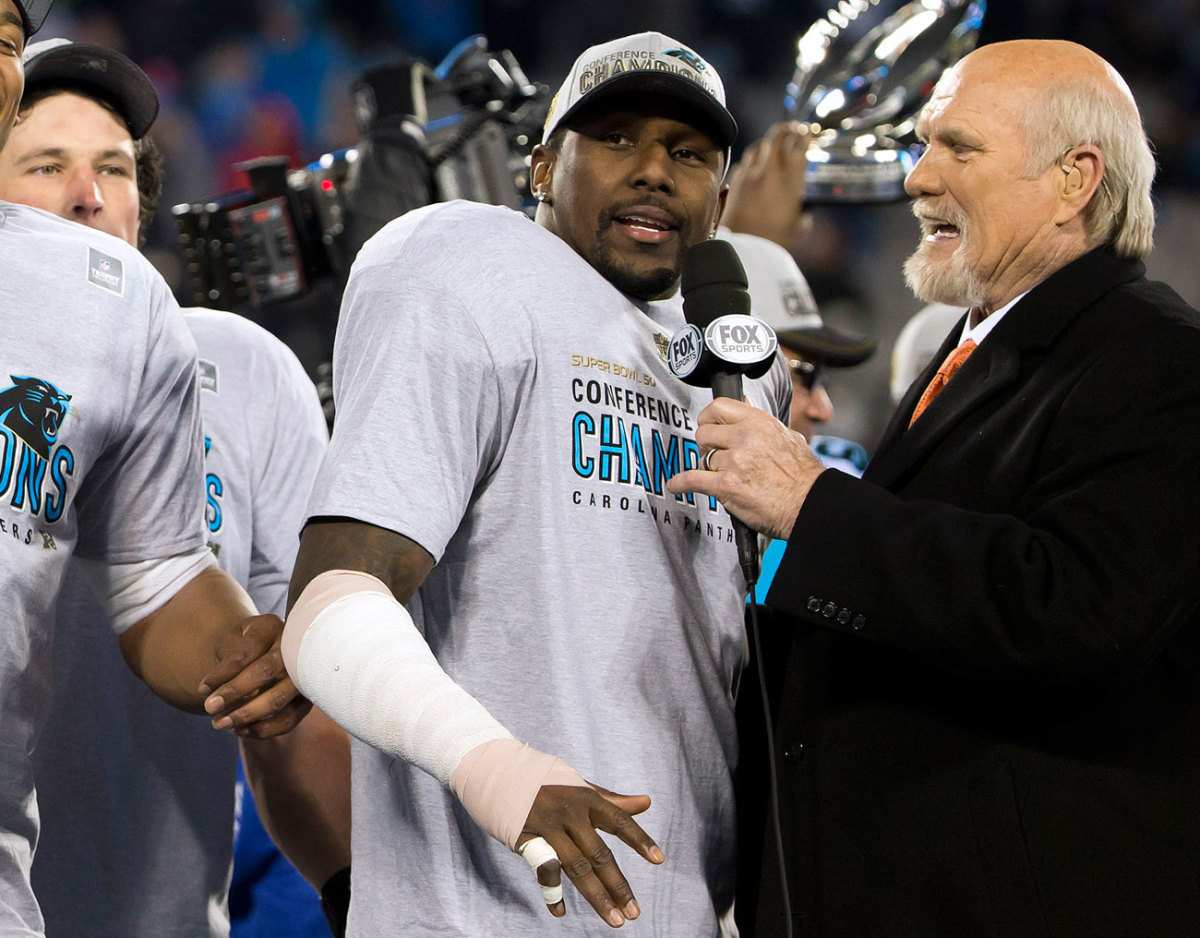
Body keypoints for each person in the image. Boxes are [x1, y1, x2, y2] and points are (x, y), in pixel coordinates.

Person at [667, 39, 1200, 937]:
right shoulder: (975, 349)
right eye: (921, 146)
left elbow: (1071, 610)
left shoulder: (1159, 360)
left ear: (1074, 180)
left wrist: (813, 506)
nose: (917, 179)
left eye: (959, 148)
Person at [281, 30, 789, 937]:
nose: (654, 172)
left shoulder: (742, 366)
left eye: (688, 153)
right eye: (618, 138)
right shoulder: (469, 261)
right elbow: (333, 603)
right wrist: (500, 769)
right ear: (543, 165)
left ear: (719, 191)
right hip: (480, 909)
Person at [0, 37, 348, 938]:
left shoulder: (236, 365)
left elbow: (259, 677)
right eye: (47, 165)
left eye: (115, 170)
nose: (90, 195)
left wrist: (353, 896)